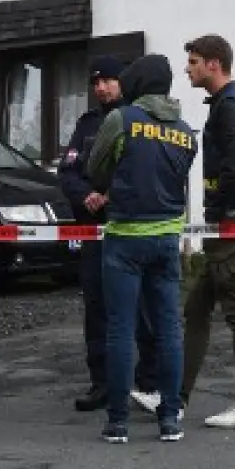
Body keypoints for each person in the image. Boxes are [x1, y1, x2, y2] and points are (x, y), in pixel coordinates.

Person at [86, 54, 197, 444]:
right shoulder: (186, 131)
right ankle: (170, 419)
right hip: (167, 238)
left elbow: (95, 170)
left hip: (125, 238)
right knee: (169, 329)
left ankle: (117, 423)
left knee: (120, 328)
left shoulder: (122, 120)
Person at [58, 55, 159, 414]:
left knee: (142, 307)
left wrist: (112, 195)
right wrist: (86, 195)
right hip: (93, 229)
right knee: (97, 308)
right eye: (96, 82)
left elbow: (142, 167)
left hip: (128, 226)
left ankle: (148, 381)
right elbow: (68, 170)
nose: (101, 88)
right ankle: (101, 382)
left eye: (109, 81)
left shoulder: (137, 119)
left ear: (123, 82)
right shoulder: (87, 124)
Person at [180, 34, 235, 429]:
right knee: (197, 309)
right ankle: (174, 396)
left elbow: (233, 167)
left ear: (214, 64)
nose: (189, 68)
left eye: (195, 61)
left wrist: (214, 210)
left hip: (234, 222)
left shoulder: (230, 107)